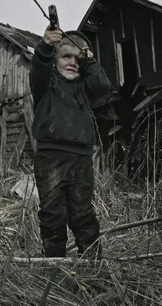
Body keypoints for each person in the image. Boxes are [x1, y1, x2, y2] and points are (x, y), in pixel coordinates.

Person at [29, 23, 112, 259]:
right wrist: (46, 45)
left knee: (83, 212)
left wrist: (90, 62)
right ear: (55, 60)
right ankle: (54, 261)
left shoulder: (85, 89)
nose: (72, 62)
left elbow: (102, 85)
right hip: (50, 158)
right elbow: (39, 66)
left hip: (81, 159)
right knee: (53, 213)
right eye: (66, 56)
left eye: (78, 58)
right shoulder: (45, 85)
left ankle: (93, 261)